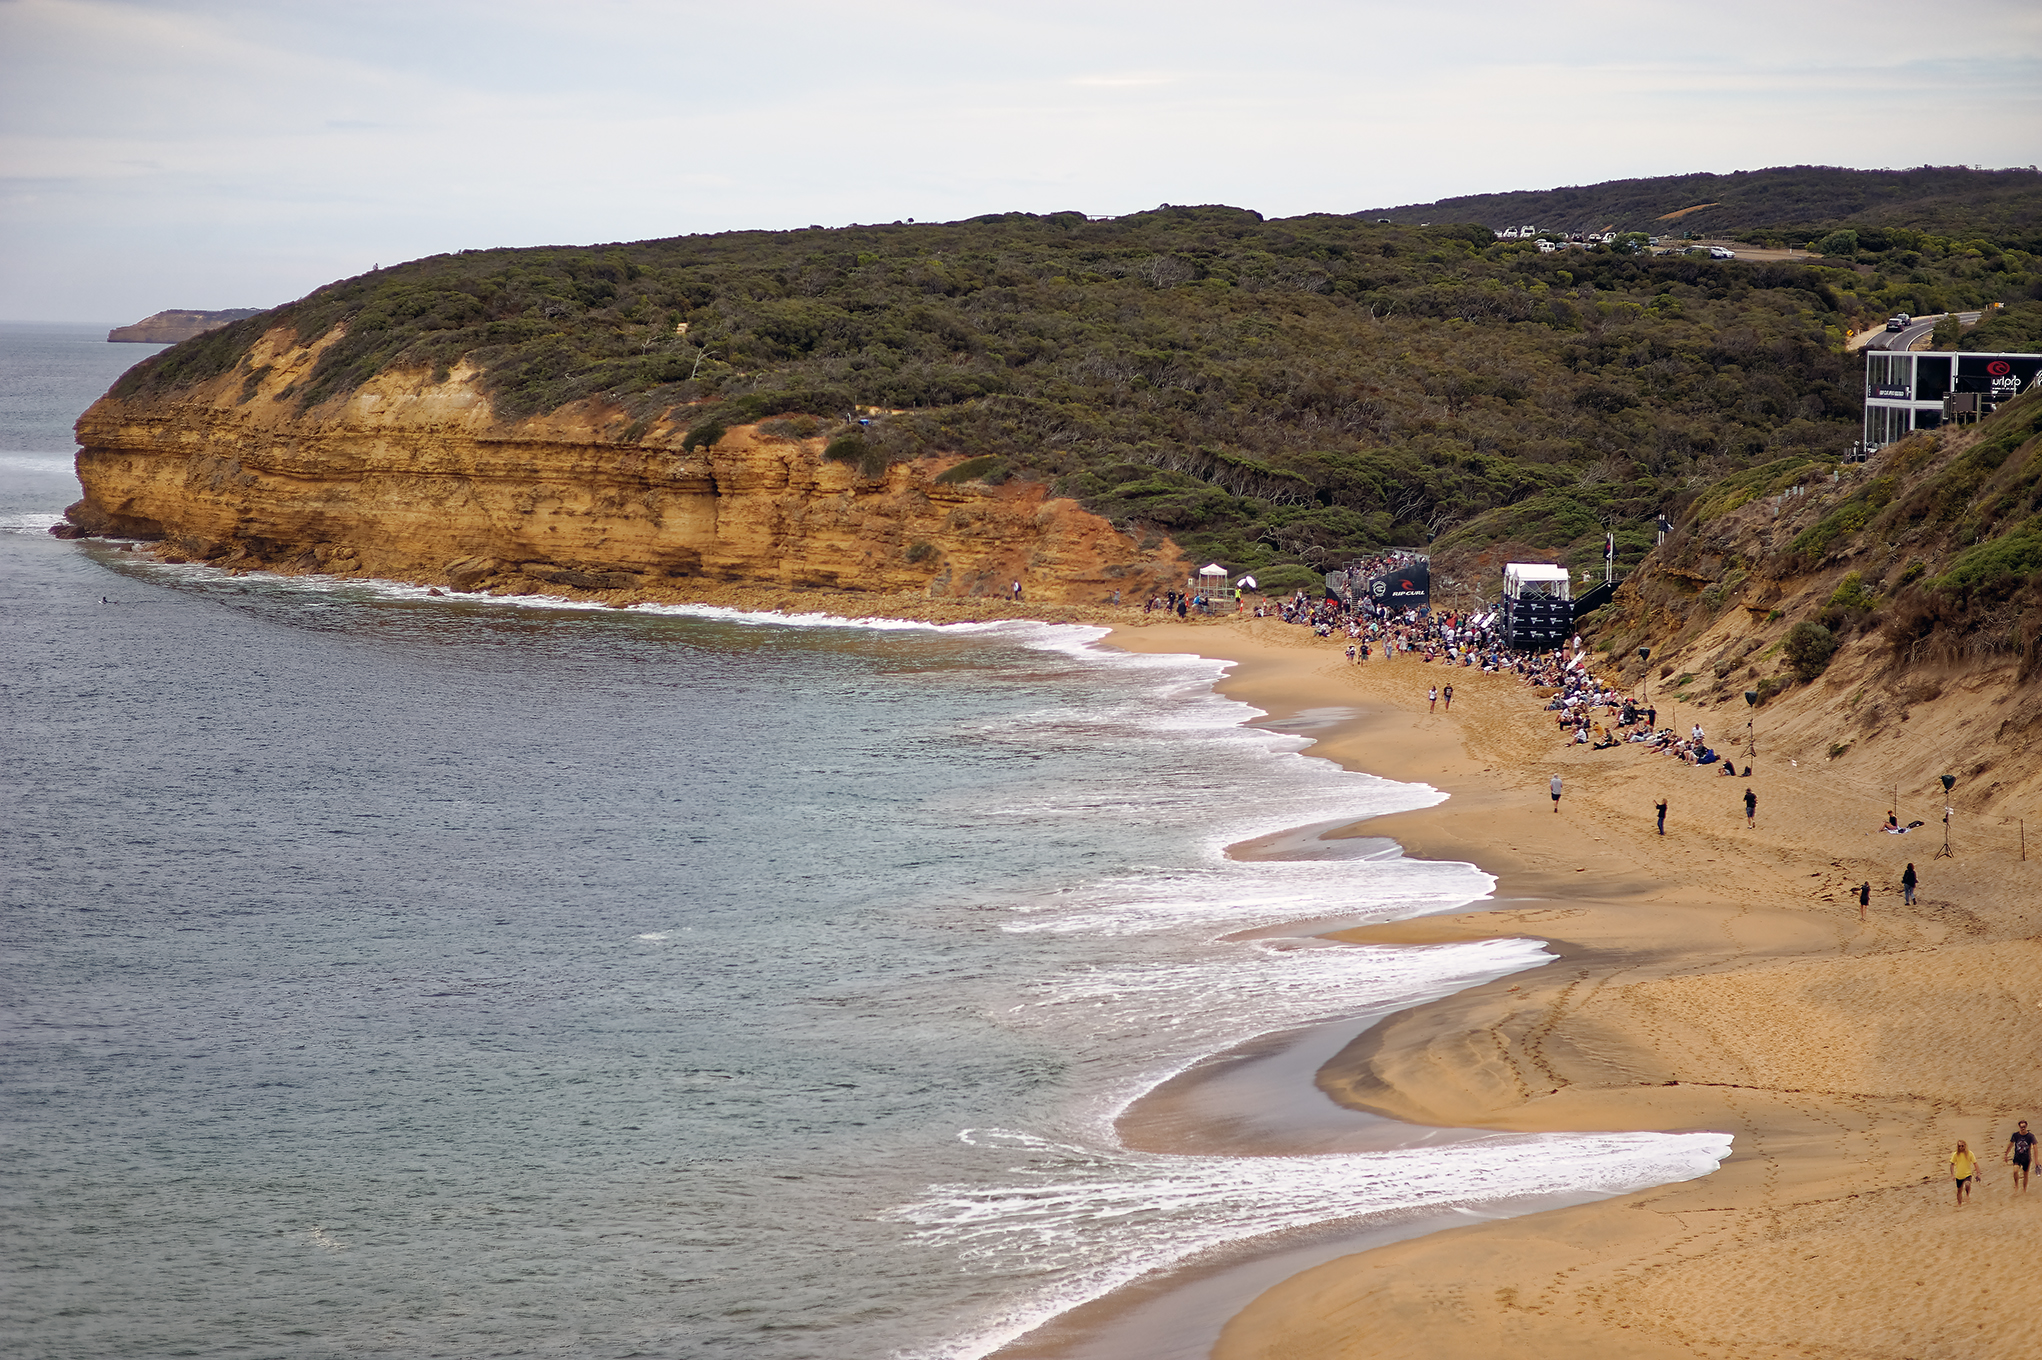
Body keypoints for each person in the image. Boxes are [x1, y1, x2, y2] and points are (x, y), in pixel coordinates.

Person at [2007, 1121, 2035, 1192]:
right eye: (2021, 1127)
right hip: (2017, 1157)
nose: (2023, 1128)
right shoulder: (2015, 1135)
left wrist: (2036, 1159)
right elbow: (2010, 1144)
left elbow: (2035, 1146)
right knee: (2015, 1171)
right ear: (2019, 1127)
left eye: (2024, 1127)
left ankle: (2024, 1190)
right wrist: (2006, 1154)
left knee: (2025, 1174)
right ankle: (2016, 1185)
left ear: (2026, 1126)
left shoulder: (2030, 1136)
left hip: (2026, 1158)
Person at [1953, 1140, 1980, 1205]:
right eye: (1959, 1146)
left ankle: (1967, 1195)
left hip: (1968, 1174)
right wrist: (1952, 1174)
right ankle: (1959, 1204)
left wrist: (1978, 1173)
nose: (1961, 1147)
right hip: (1959, 1175)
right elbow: (1952, 1164)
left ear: (1965, 1146)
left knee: (1967, 1184)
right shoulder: (1955, 1154)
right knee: (1959, 1190)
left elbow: (1975, 1163)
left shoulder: (1969, 1153)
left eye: (1962, 1146)